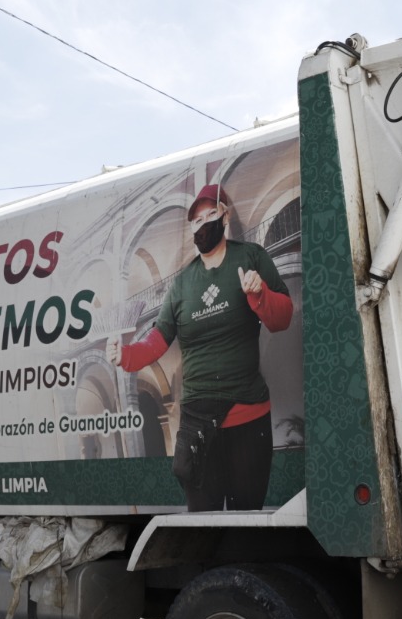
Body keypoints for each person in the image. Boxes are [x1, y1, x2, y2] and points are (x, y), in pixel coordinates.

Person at [109, 184, 293, 511]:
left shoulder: (251, 257)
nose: (203, 223)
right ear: (191, 228)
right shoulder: (182, 284)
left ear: (225, 214)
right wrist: (125, 355)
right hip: (197, 424)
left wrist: (259, 293)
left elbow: (282, 318)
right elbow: (158, 339)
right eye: (196, 220)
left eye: (211, 214)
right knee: (202, 519)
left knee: (245, 517)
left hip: (247, 417)